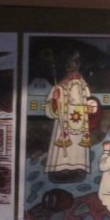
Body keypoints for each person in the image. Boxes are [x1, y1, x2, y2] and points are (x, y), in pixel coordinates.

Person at [44, 52, 92, 183]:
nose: (75, 72)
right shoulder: (60, 86)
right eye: (72, 64)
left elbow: (88, 101)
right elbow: (52, 107)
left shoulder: (83, 85)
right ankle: (61, 169)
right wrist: (55, 100)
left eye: (77, 64)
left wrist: (89, 107)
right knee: (63, 148)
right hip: (64, 122)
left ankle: (78, 168)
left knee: (77, 147)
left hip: (80, 122)